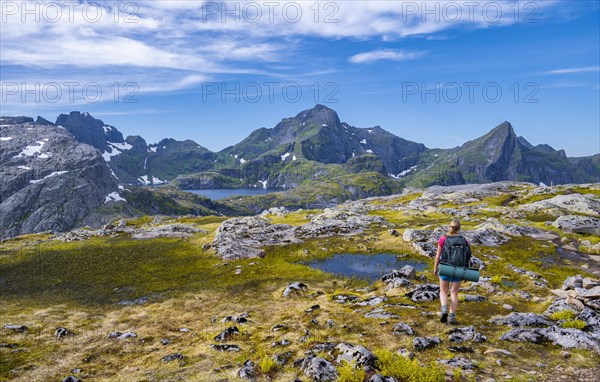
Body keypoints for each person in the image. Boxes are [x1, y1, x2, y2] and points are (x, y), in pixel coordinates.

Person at [433, 219, 469, 324]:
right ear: (459, 228)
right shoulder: (464, 240)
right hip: (459, 269)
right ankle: (452, 317)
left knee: (443, 291)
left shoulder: (443, 239)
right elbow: (467, 257)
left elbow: (438, 256)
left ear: (450, 227)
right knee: (454, 292)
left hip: (445, 267)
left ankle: (444, 309)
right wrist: (466, 271)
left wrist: (435, 268)